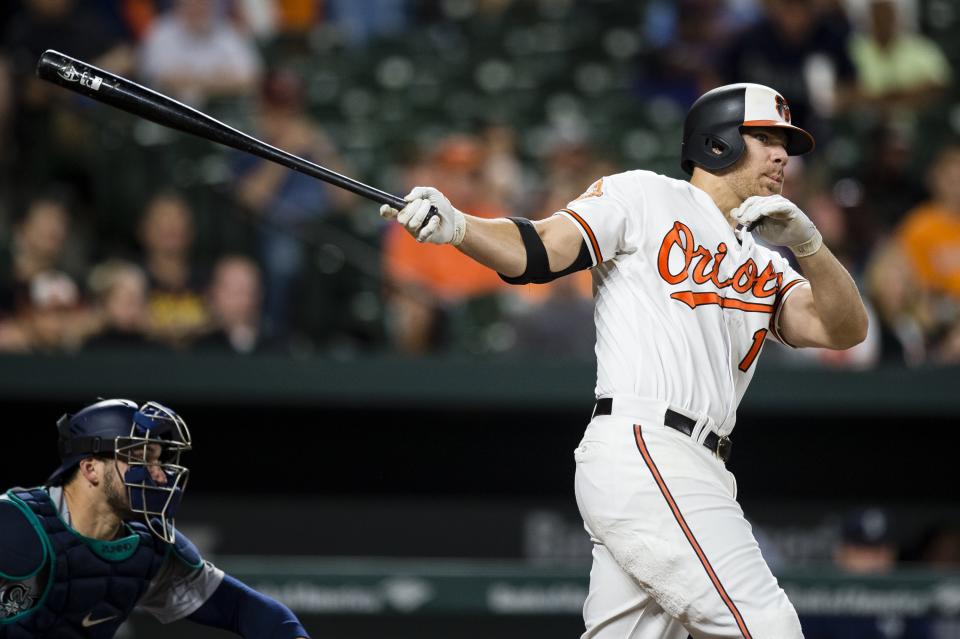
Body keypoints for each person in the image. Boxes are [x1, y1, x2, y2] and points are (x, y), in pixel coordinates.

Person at [381, 82, 868, 638]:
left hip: (697, 464)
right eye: (765, 138)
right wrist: (462, 228)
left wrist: (809, 245)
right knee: (768, 627)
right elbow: (543, 247)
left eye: (786, 142)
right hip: (647, 444)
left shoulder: (765, 261)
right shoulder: (644, 196)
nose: (782, 154)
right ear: (718, 143)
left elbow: (842, 328)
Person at [0, 398, 309, 638]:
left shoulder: (149, 547)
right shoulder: (14, 522)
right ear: (90, 468)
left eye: (157, 460)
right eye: (139, 459)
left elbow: (242, 609)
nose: (158, 475)